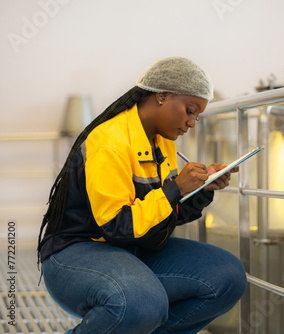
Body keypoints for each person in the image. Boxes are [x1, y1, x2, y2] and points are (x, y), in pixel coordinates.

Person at [37, 57, 247, 334]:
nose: (192, 122)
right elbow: (116, 226)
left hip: (133, 250)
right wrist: (175, 189)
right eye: (189, 110)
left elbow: (162, 215)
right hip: (78, 252)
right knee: (142, 302)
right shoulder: (109, 142)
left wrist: (200, 190)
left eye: (196, 115)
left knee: (228, 276)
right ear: (162, 95)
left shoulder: (162, 141)